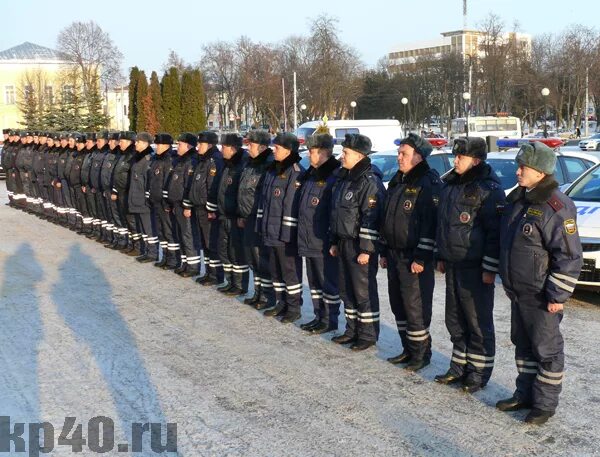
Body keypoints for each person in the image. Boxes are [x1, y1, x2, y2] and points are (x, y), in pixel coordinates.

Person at [496, 141, 583, 425]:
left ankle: (544, 405)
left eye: (524, 167)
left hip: (542, 294)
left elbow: (569, 256)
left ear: (541, 172)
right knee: (523, 345)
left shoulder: (556, 206)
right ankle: (525, 394)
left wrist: (557, 294)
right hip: (519, 291)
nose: (518, 171)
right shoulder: (519, 198)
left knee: (547, 350)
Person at [434, 137, 506, 393]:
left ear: (475, 160)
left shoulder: (489, 189)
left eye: (460, 157)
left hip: (475, 267)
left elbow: (493, 233)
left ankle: (478, 372)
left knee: (477, 322)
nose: (455, 161)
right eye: (455, 156)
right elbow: (443, 225)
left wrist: (489, 268)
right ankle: (459, 367)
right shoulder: (451, 185)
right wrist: (440, 256)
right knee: (454, 320)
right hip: (454, 263)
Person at [380, 133, 441, 371]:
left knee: (415, 308)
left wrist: (421, 257)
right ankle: (408, 349)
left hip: (413, 258)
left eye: (403, 154)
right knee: (399, 305)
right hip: (395, 255)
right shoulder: (398, 180)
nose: (399, 158)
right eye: (399, 153)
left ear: (418, 156)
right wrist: (383, 250)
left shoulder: (428, 182)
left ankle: (421, 354)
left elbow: (430, 224)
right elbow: (387, 217)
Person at [329, 133, 385, 351]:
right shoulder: (346, 178)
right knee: (347, 290)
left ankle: (368, 334)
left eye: (346, 153)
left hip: (359, 247)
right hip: (344, 243)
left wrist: (367, 250)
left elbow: (371, 218)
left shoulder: (369, 182)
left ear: (360, 156)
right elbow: (337, 214)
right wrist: (334, 241)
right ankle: (352, 330)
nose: (342, 156)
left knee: (363, 292)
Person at [297, 133, 341, 334]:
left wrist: (332, 239)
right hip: (309, 237)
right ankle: (318, 315)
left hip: (322, 239)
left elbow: (333, 212)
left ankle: (329, 319)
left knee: (327, 281)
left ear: (324, 152)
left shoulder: (333, 176)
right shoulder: (312, 174)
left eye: (312, 151)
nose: (308, 155)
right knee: (314, 281)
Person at [259, 133, 305, 323]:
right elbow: (265, 200)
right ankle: (281, 302)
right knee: (276, 270)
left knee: (289, 272)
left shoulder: (295, 172)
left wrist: (287, 234)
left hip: (284, 234)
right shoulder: (273, 170)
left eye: (277, 147)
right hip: (271, 230)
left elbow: (290, 206)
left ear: (288, 150)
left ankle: (294, 308)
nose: (273, 150)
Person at [237, 129, 275, 309]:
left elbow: (264, 197)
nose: (247, 147)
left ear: (261, 147)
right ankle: (258, 292)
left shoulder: (268, 165)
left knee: (262, 259)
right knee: (253, 258)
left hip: (259, 220)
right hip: (248, 218)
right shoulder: (250, 163)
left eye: (250, 144)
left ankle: (267, 296)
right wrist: (242, 214)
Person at [188, 131, 224, 285]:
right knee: (205, 243)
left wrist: (211, 208)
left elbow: (213, 186)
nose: (198, 147)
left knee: (211, 243)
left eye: (200, 144)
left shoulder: (214, 160)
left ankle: (216, 275)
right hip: (199, 207)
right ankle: (209, 272)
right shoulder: (203, 160)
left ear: (209, 145)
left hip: (208, 210)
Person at [215, 133, 249, 295]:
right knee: (225, 250)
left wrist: (240, 214)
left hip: (235, 217)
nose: (222, 150)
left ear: (233, 149)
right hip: (224, 215)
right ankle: (230, 281)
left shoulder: (241, 165)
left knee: (237, 252)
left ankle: (240, 285)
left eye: (224, 147)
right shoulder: (227, 165)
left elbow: (241, 194)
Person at [165, 133, 197, 276]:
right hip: (176, 204)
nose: (177, 146)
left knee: (187, 235)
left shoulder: (191, 161)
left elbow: (189, 186)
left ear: (188, 146)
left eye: (180, 144)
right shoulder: (179, 161)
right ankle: (185, 263)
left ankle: (193, 266)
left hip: (184, 206)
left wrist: (187, 205)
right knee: (181, 235)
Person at [147, 133, 178, 269]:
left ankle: (173, 259)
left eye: (159, 144)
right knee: (161, 231)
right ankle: (165, 256)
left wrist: (167, 202)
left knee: (169, 231)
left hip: (165, 203)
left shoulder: (169, 159)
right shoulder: (156, 159)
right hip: (156, 201)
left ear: (166, 145)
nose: (157, 147)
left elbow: (167, 183)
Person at [128, 132, 158, 263]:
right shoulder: (138, 158)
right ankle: (147, 250)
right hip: (136, 198)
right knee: (143, 228)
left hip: (144, 200)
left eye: (138, 142)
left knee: (149, 228)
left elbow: (149, 181)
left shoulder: (148, 159)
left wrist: (147, 198)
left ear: (145, 143)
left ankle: (153, 253)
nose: (135, 144)